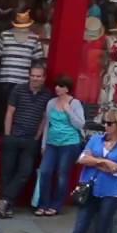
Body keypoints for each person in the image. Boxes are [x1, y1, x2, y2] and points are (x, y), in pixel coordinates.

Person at [0, 63, 51, 218]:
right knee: (7, 172)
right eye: (33, 75)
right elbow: (10, 112)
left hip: (30, 140)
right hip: (14, 136)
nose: (35, 78)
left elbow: (44, 118)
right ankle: (7, 206)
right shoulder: (18, 90)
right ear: (29, 76)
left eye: (38, 76)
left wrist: (37, 137)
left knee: (24, 173)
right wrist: (7, 134)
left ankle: (4, 201)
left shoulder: (47, 95)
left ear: (44, 78)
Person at [34, 76, 86, 217]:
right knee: (45, 172)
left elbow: (80, 124)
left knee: (62, 175)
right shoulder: (51, 103)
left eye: (60, 86)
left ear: (67, 89)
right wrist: (43, 144)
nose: (57, 88)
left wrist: (68, 110)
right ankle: (43, 204)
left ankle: (56, 205)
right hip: (52, 143)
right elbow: (47, 125)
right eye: (56, 85)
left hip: (69, 143)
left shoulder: (75, 103)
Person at [0, 11, 46, 134]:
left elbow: (37, 62)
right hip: (6, 80)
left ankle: (13, 135)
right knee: (4, 110)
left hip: (23, 82)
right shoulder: (5, 35)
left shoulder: (34, 38)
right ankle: (2, 133)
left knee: (20, 111)